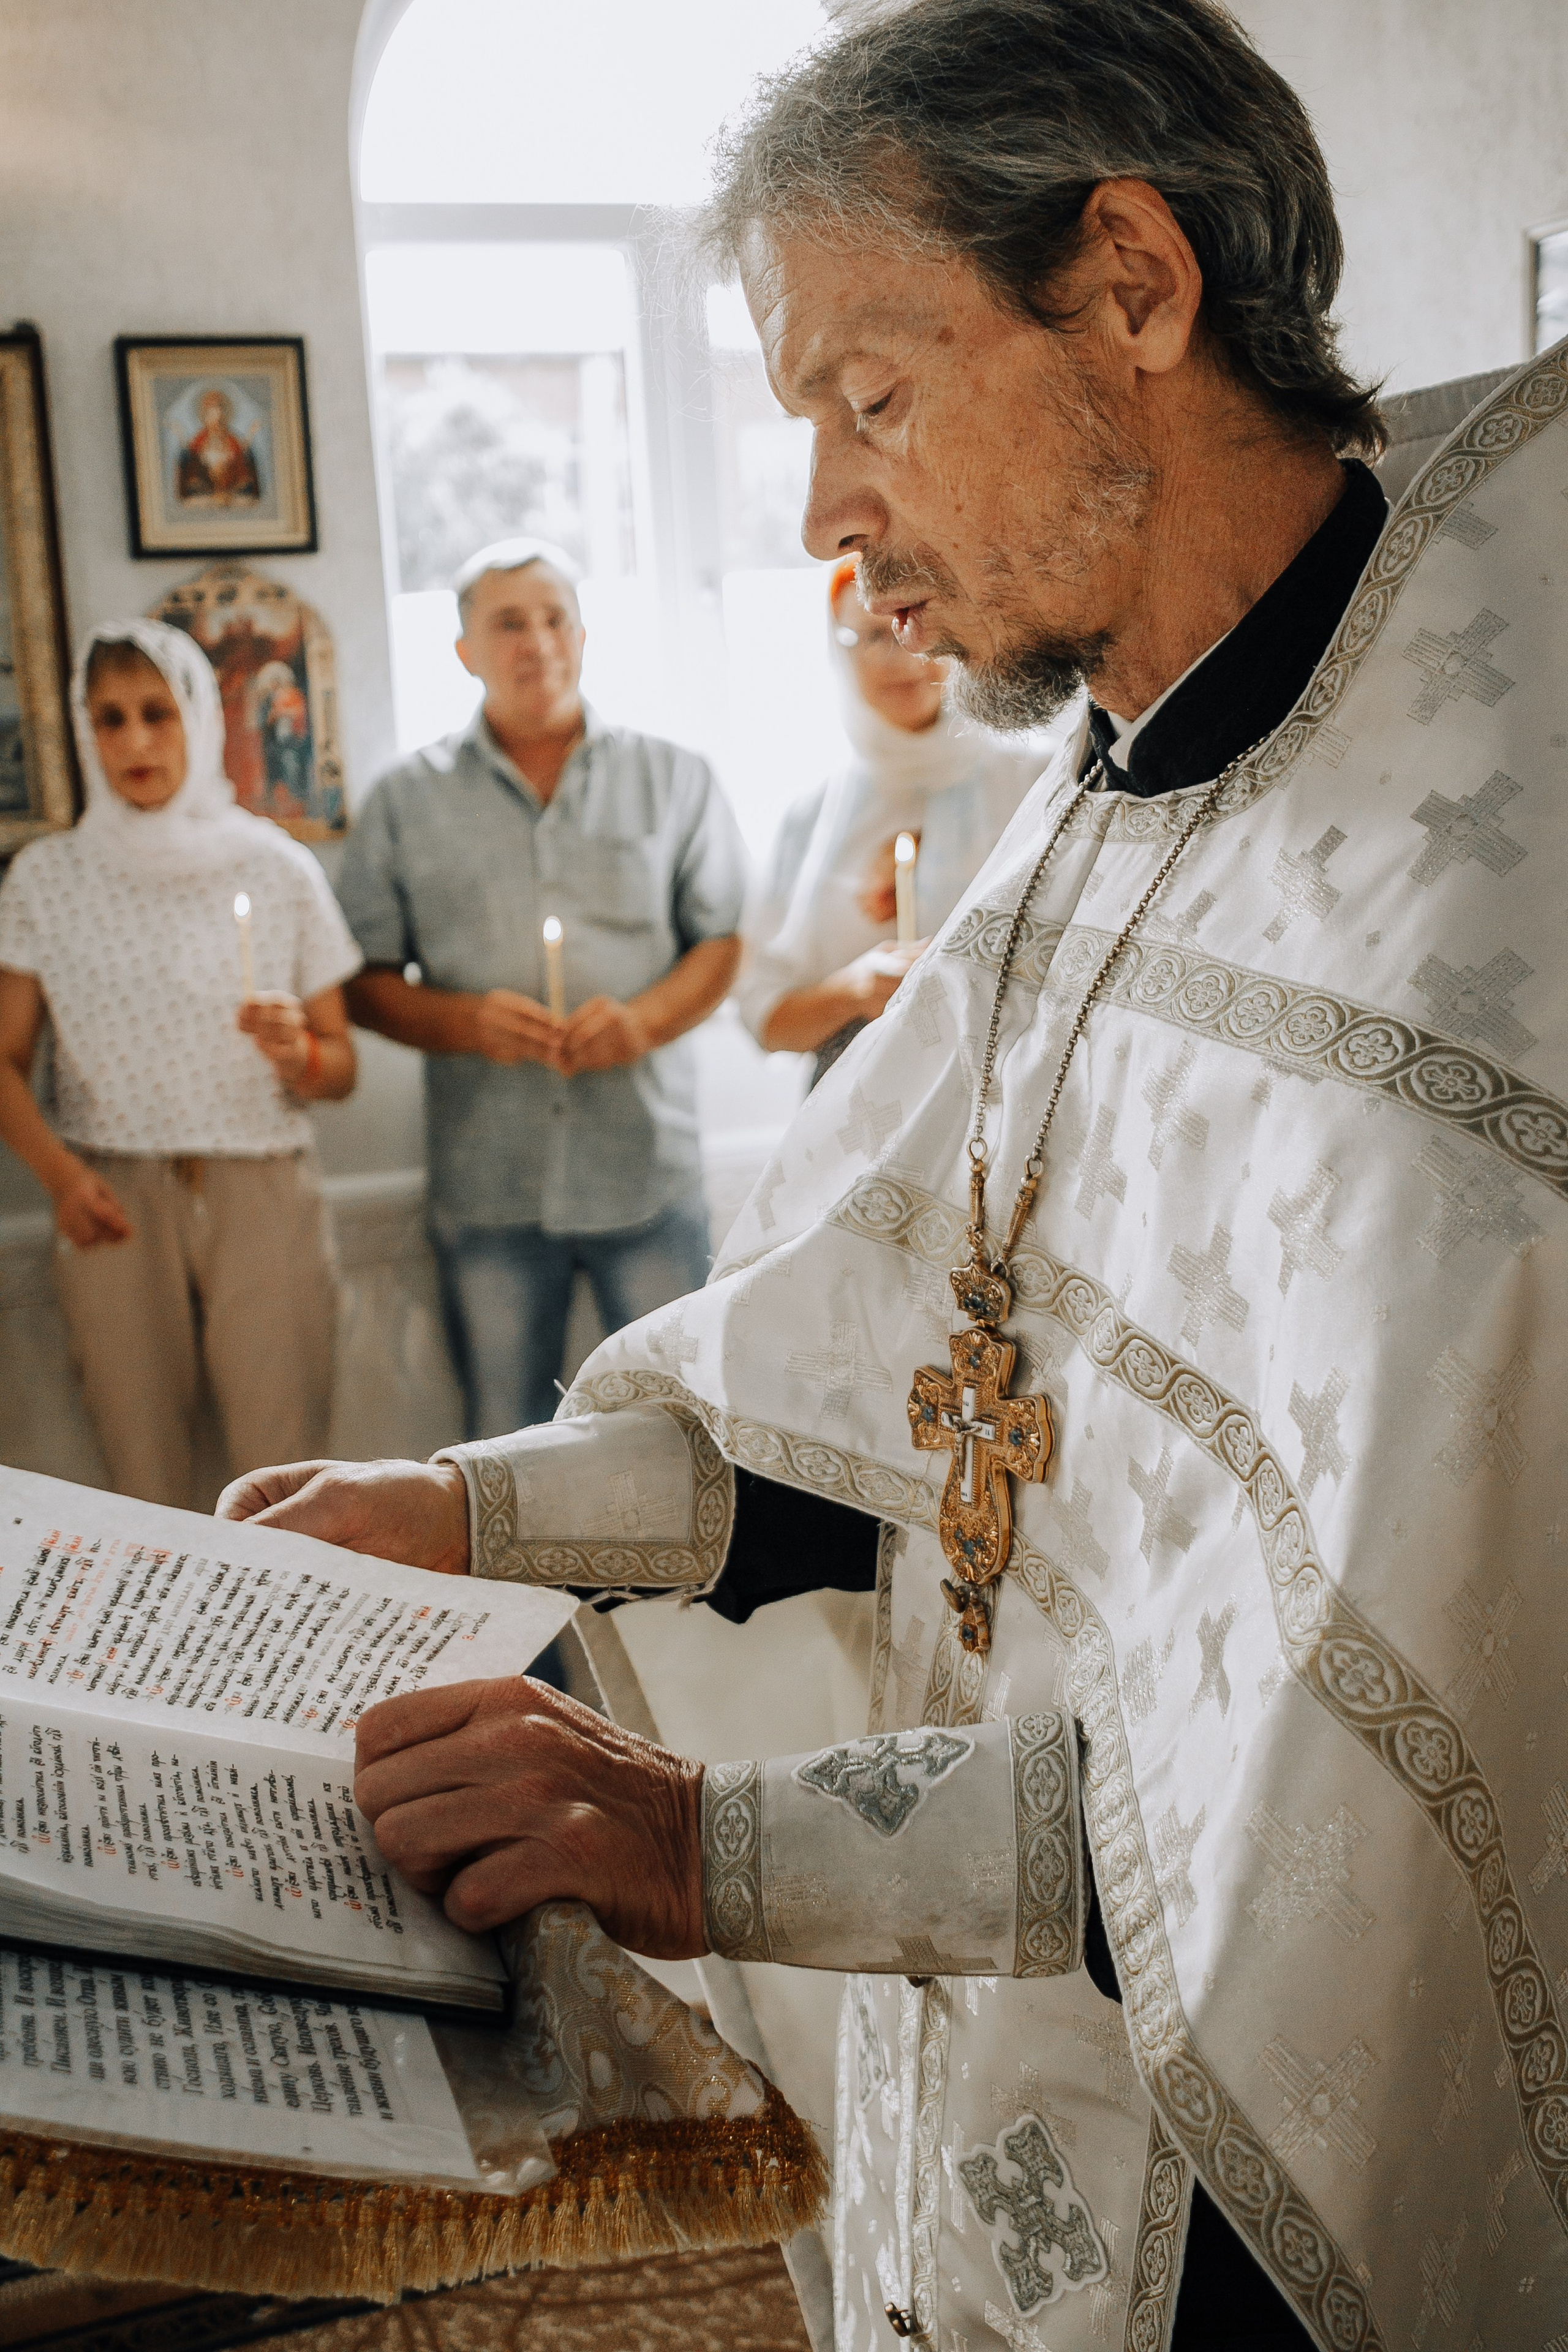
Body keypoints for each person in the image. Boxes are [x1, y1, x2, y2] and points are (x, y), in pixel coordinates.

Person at [217, 2, 1568, 2341]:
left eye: (869, 398)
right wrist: (449, 1507)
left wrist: (707, 1842)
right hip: (993, 2038)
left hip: (1265, 2167)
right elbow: (884, 1418)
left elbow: (1350, 1802)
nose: (826, 517)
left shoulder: (1474, 950)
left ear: (1130, 285)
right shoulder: (1089, 812)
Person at [334, 539, 747, 1441]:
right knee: (504, 1438)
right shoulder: (405, 799)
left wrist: (642, 1022)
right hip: (490, 1182)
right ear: (465, 651)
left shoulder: (675, 777)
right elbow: (360, 981)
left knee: (686, 1429)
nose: (538, 642)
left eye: (555, 618)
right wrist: (464, 1022)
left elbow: (721, 941)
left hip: (644, 1166)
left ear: (585, 634)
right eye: (509, 623)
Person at [0, 620, 360, 1507]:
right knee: (142, 1475)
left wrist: (299, 1052)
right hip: (112, 1196)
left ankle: (287, 1607)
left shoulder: (277, 869)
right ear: (85, 730)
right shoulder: (46, 877)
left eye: (156, 713)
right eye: (110, 718)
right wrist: (60, 1180)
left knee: (285, 1474)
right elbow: (4, 1059)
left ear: (199, 719)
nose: (135, 741)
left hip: (260, 1187)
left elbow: (343, 1066)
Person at [736, 556, 1049, 1082]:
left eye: (915, 626)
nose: (903, 658)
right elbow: (765, 1018)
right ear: (838, 650)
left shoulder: (1037, 778)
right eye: (873, 637)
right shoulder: (811, 817)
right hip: (853, 1100)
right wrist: (856, 989)